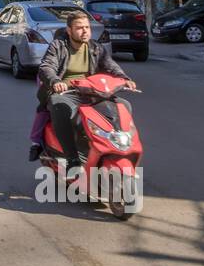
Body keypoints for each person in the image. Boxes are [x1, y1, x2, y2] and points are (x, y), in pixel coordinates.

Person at [35, 10, 135, 171]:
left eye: (87, 27)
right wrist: (55, 81)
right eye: (79, 28)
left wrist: (125, 79)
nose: (85, 31)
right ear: (69, 30)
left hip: (91, 92)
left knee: (124, 106)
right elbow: (47, 67)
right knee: (59, 105)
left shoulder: (96, 47)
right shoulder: (58, 46)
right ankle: (72, 158)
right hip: (67, 92)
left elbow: (111, 66)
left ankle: (117, 146)